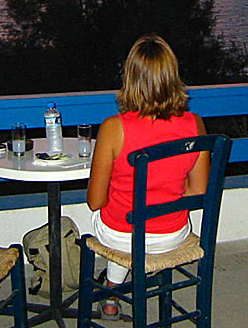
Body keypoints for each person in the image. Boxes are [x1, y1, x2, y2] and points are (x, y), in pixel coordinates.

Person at [86, 34, 209, 319]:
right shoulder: (195, 124)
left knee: (113, 217)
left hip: (124, 234)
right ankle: (112, 291)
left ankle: (110, 294)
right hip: (172, 235)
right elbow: (197, 192)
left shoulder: (114, 128)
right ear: (171, 76)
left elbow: (94, 201)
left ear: (130, 78)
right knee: (132, 219)